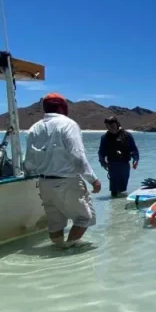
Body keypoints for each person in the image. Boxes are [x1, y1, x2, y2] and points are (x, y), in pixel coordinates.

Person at [24, 93, 101, 248]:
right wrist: (93, 179)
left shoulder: (34, 129)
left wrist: (28, 175)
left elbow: (29, 161)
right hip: (67, 181)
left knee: (55, 222)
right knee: (85, 218)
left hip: (44, 183)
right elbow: (77, 156)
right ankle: (68, 249)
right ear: (62, 107)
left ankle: (58, 248)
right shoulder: (68, 125)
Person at [98, 116, 139, 197]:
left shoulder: (127, 135)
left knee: (123, 188)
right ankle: (113, 203)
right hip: (112, 165)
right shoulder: (105, 138)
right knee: (114, 189)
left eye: (112, 126)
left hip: (125, 164)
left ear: (117, 124)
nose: (110, 128)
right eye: (108, 127)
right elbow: (101, 152)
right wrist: (103, 162)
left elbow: (134, 149)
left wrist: (135, 159)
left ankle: (120, 205)